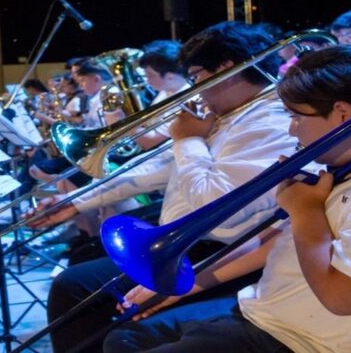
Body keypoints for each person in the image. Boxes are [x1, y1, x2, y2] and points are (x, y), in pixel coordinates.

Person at [104, 43, 351, 353]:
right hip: (265, 311)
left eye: (296, 116)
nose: (291, 130)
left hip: (302, 341)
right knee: (123, 338)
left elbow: (345, 298)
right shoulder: (349, 165)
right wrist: (183, 285)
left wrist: (306, 211)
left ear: (343, 114)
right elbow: (272, 243)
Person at [44, 21, 298, 353]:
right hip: (185, 242)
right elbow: (157, 169)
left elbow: (215, 207)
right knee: (76, 281)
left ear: (227, 70)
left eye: (197, 76)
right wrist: (75, 202)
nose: (193, 89)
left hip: (223, 252)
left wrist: (188, 140)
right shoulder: (228, 113)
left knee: (79, 290)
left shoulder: (271, 122)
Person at [28, 39, 189, 232]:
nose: (146, 80)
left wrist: (118, 120)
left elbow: (149, 142)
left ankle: (96, 234)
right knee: (89, 180)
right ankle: (90, 233)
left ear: (170, 75)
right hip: (147, 159)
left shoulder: (185, 98)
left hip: (161, 168)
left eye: (149, 75)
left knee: (94, 180)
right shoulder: (164, 93)